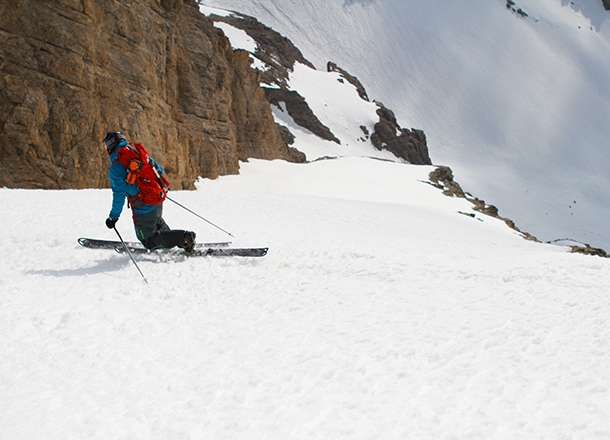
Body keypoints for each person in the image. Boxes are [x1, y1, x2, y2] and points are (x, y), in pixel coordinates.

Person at [103, 130, 196, 252]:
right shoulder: (137, 152)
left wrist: (113, 218)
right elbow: (159, 170)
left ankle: (183, 238)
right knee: (157, 224)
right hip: (157, 196)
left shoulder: (116, 167)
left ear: (110, 147)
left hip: (143, 204)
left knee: (148, 239)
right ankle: (172, 240)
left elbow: (118, 195)